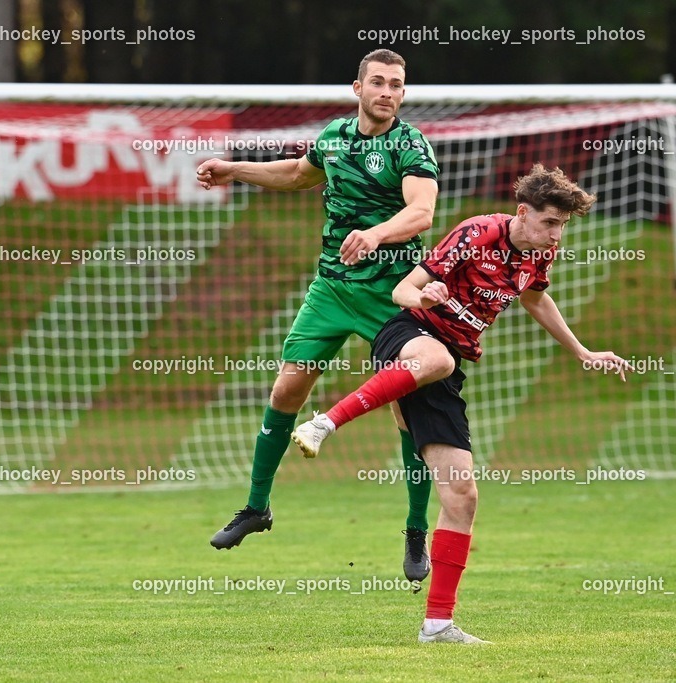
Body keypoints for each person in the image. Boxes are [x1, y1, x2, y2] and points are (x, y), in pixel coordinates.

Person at [291, 164, 631, 643]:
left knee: (462, 495)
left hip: (444, 364)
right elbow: (401, 290)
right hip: (409, 335)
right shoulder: (478, 232)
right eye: (550, 222)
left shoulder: (539, 254)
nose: (556, 234)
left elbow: (536, 300)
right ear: (523, 213)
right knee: (438, 360)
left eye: (563, 225)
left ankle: (437, 624)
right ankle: (325, 422)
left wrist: (582, 351)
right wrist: (426, 295)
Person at [198, 49, 440, 580]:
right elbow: (298, 174)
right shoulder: (333, 136)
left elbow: (422, 210)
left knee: (405, 411)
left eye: (396, 85)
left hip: (392, 294)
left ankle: (416, 532)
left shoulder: (411, 145)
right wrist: (234, 169)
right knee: (286, 392)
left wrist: (375, 234)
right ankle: (257, 508)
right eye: (377, 82)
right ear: (356, 88)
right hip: (331, 290)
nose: (387, 92)